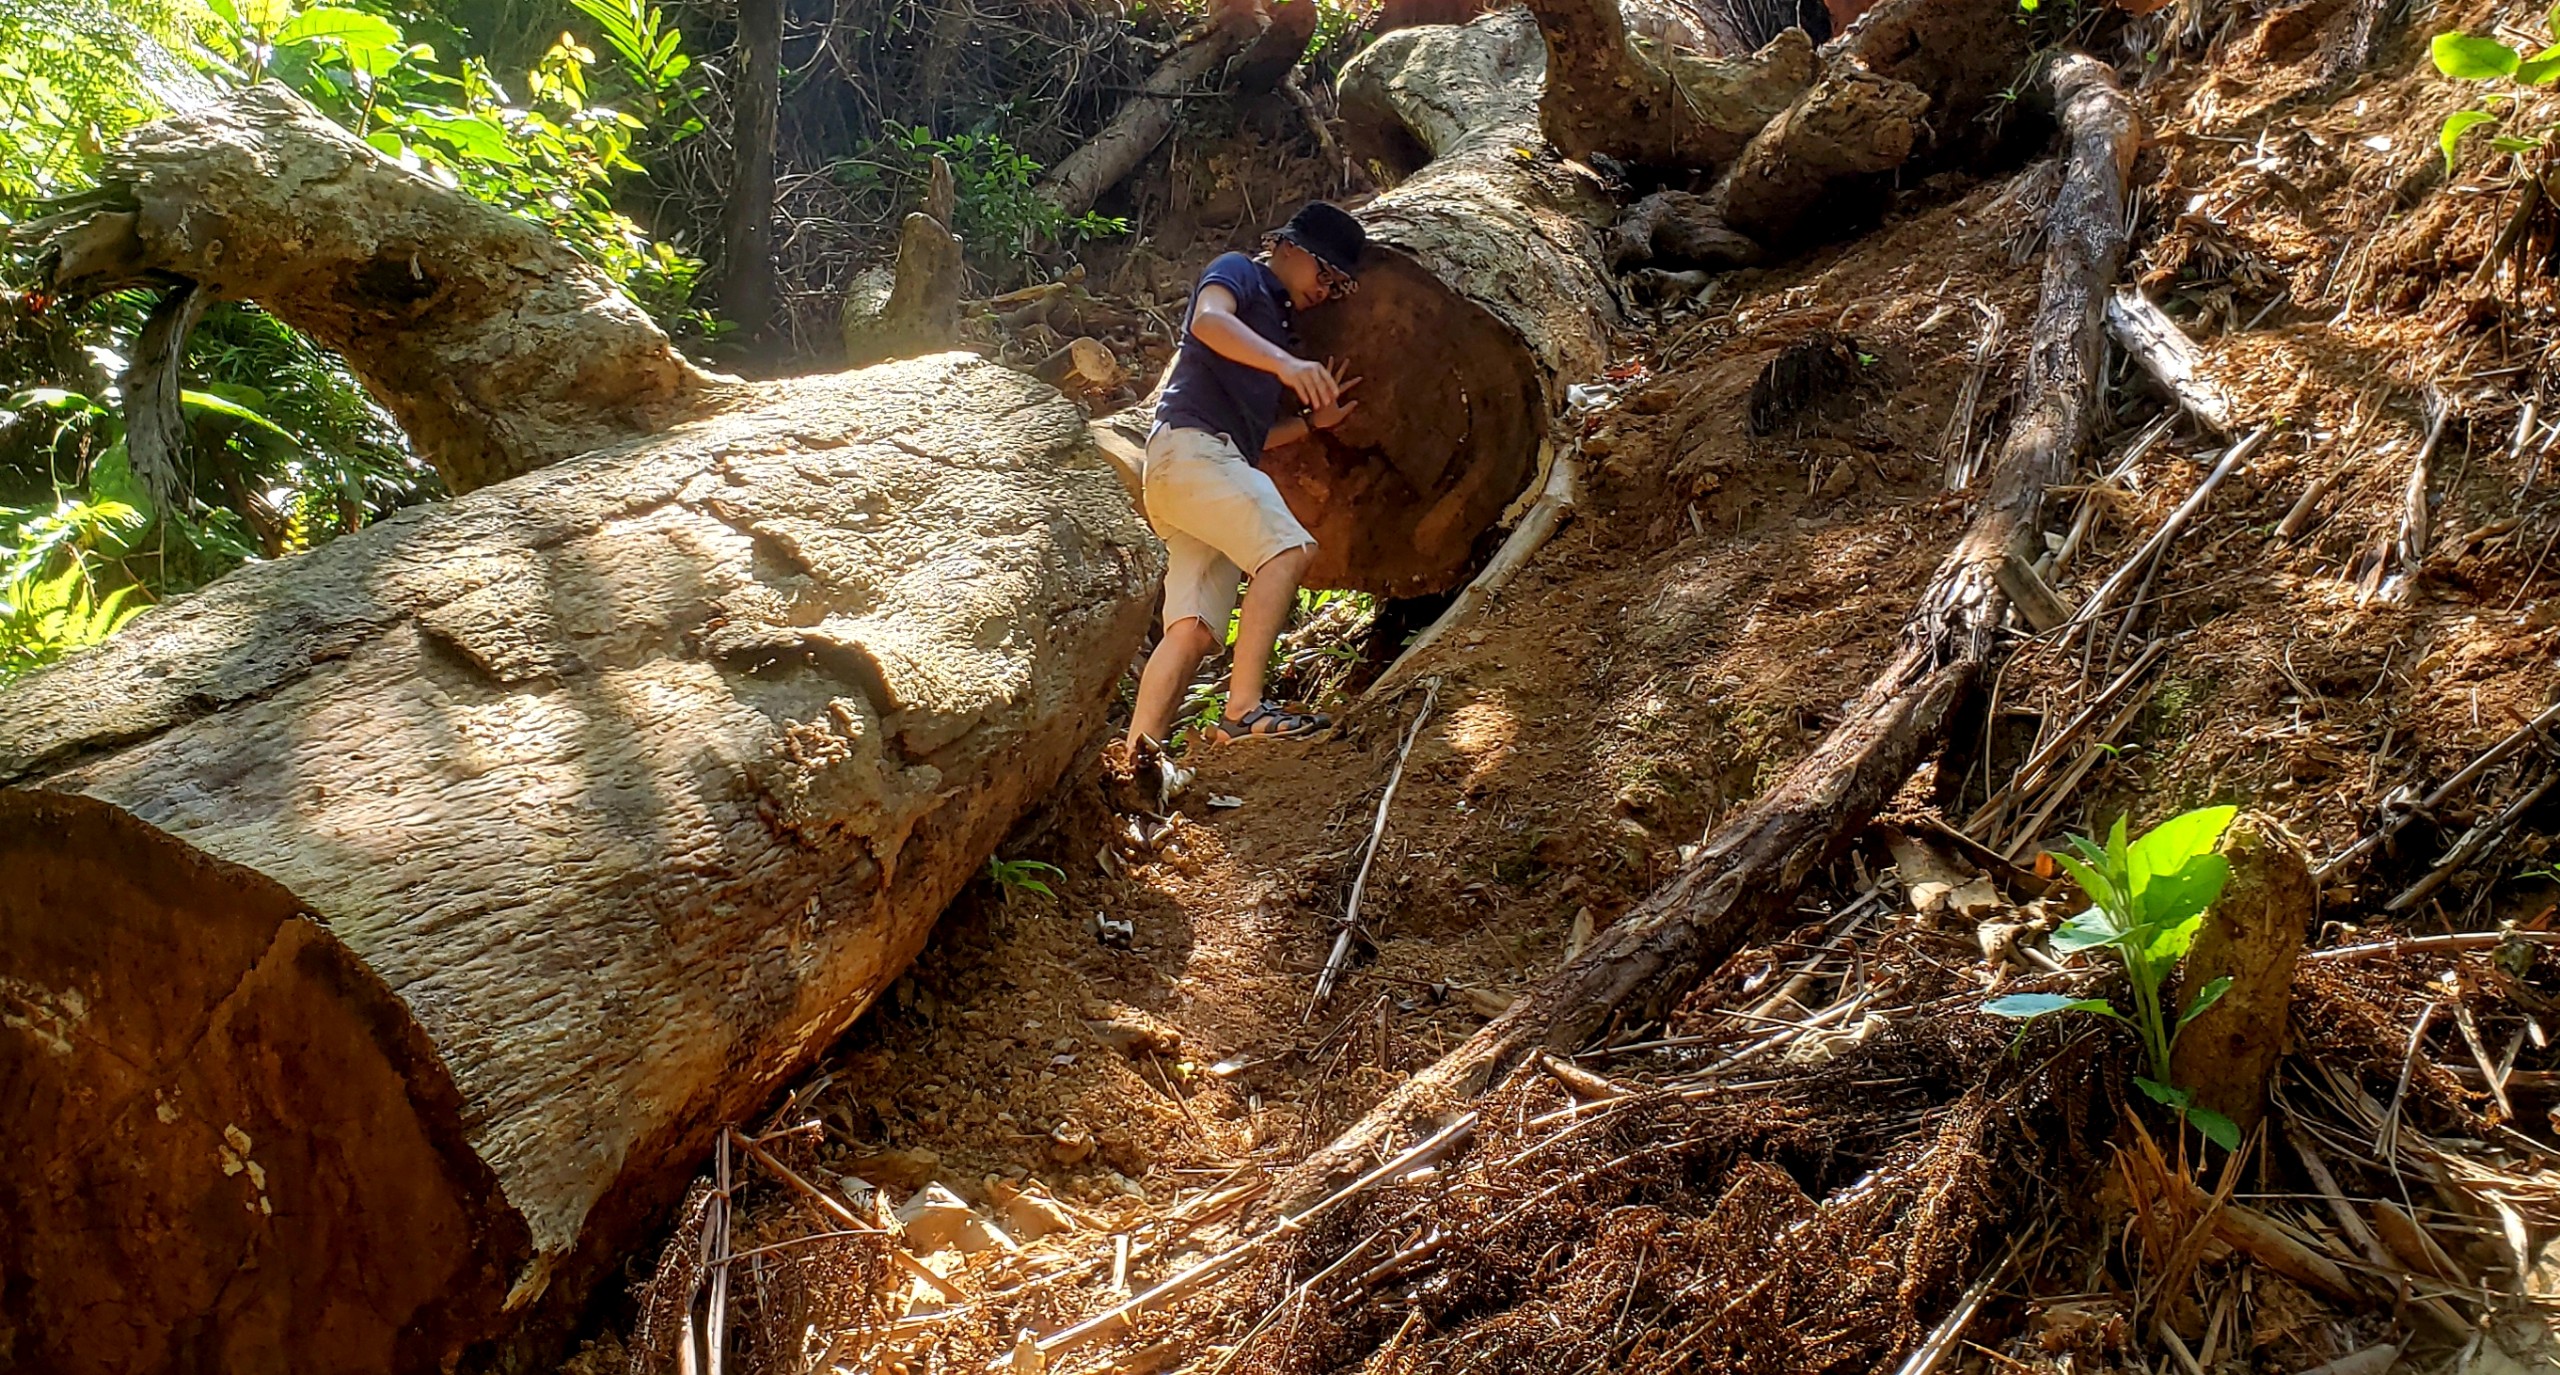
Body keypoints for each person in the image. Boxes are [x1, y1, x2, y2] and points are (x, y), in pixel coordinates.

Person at [1124, 201, 1367, 752]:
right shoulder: (1241, 271)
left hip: (1194, 468)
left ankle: (1137, 759)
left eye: (1338, 284)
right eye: (1322, 272)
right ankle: (1243, 710)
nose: (1325, 290)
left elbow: (1253, 438)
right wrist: (1287, 366)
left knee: (1193, 629)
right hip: (1194, 451)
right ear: (1284, 246)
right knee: (1285, 550)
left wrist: (1309, 424)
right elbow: (1207, 321)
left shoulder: (1278, 326)